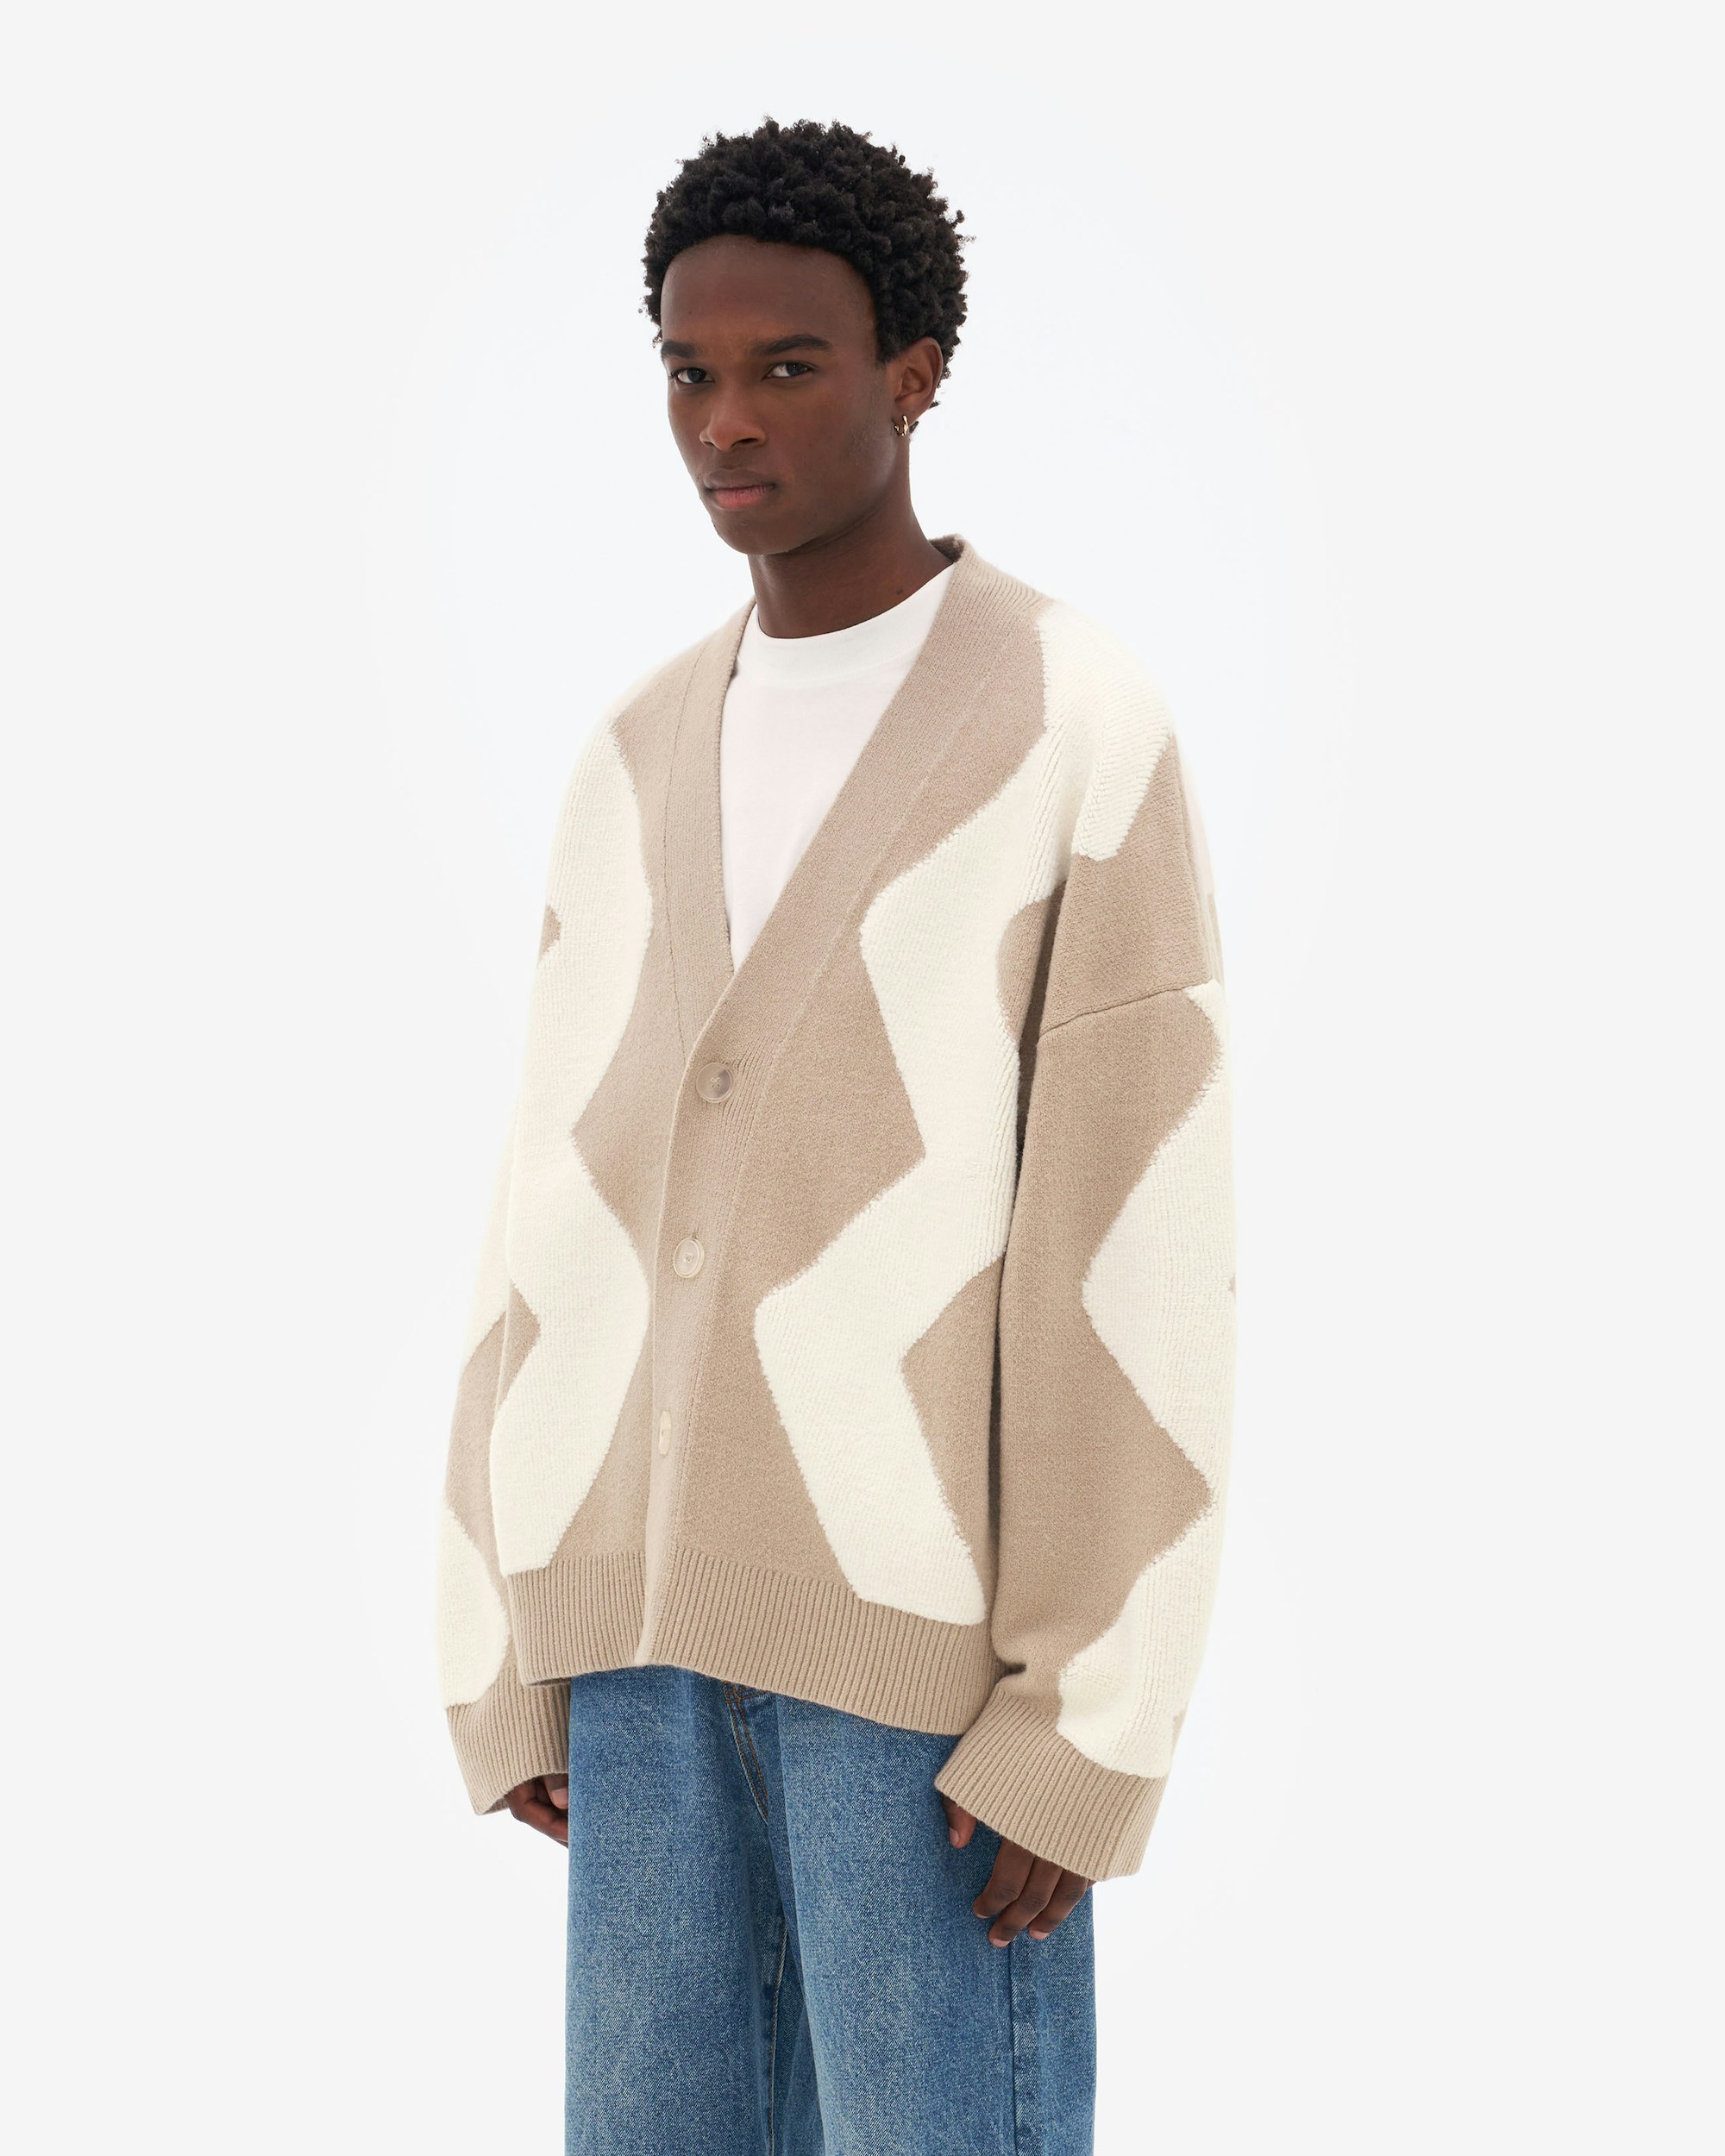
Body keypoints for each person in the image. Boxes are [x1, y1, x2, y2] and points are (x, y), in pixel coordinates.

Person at [433, 116, 1235, 2156]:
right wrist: (503, 1631)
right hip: (633, 1657)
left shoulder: (1069, 720)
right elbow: (545, 1208)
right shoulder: (631, 756)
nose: (727, 421)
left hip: (926, 1687)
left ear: (914, 372)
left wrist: (1084, 1715)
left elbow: (1134, 1238)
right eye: (690, 372)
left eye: (787, 366)